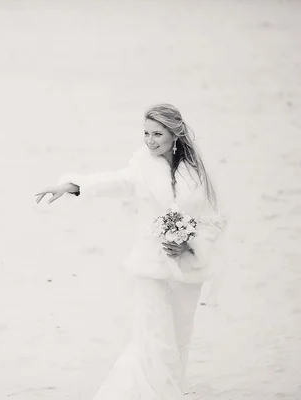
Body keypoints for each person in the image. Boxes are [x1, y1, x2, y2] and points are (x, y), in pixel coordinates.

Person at [35, 104, 226, 399]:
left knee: (178, 340)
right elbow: (114, 181)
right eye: (146, 134)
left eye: (157, 134)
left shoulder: (197, 171)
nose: (150, 141)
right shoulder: (142, 165)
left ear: (174, 134)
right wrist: (73, 185)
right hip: (151, 266)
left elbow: (213, 220)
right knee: (154, 338)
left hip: (188, 268)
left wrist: (190, 243)